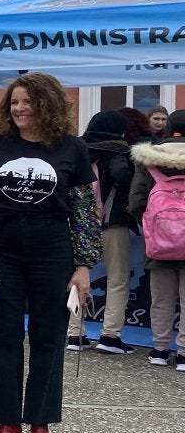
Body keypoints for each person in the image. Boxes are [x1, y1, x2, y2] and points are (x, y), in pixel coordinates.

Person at [0, 72, 100, 433]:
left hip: (53, 253)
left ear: (47, 103)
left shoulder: (72, 149)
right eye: (14, 102)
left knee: (49, 338)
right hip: (2, 253)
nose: (20, 108)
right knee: (1, 338)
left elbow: (84, 211)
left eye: (28, 101)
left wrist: (83, 265)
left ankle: (40, 424)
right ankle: (7, 422)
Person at [69, 110, 142, 354]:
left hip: (78, 223)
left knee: (76, 278)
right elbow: (122, 175)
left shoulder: (77, 149)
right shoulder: (120, 151)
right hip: (113, 223)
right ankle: (110, 336)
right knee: (118, 279)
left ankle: (74, 334)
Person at [129, 109, 185, 369]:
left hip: (159, 242)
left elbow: (137, 200)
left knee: (161, 298)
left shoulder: (149, 157)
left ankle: (160, 350)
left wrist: (153, 223)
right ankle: (184, 353)